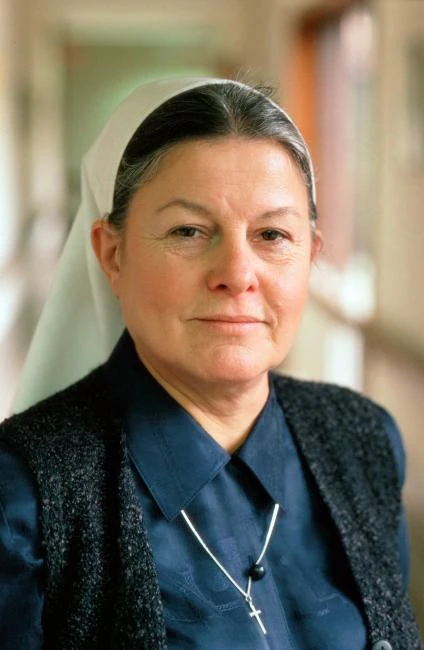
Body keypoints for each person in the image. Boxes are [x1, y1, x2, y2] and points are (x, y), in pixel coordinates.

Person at [0, 77, 421, 650]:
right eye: (189, 231)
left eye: (272, 234)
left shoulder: (364, 439)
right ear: (112, 254)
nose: (237, 274)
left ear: (311, 255)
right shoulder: (22, 498)